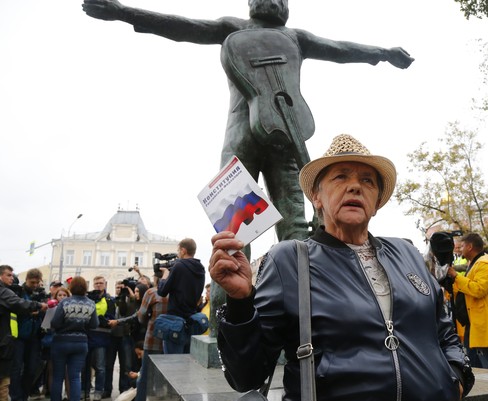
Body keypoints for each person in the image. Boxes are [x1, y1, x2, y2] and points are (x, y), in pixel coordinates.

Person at [81, 0, 414, 246]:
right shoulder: (234, 28)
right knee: (236, 230)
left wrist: (382, 52)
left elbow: (340, 48)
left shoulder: (295, 36)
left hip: (286, 131)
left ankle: (300, 309)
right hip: (242, 135)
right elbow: (182, 26)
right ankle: (228, 317)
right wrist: (123, 12)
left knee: (293, 223)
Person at [210, 134, 473, 401]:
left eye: (367, 181)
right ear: (317, 197)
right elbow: (246, 375)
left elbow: (445, 333)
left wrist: (456, 379)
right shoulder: (289, 259)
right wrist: (240, 302)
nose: (355, 187)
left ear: (376, 201)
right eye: (340, 177)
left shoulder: (407, 253)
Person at [447, 233, 488, 370]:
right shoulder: (474, 264)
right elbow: (466, 289)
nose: (459, 250)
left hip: (482, 322)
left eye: (461, 246)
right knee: (476, 367)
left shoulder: (485, 263)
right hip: (473, 323)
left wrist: (456, 276)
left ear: (470, 246)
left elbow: (479, 289)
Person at [0, 265, 48, 401]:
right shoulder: (15, 291)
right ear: (26, 280)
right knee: (15, 369)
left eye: (37, 283)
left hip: (34, 336)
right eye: (31, 282)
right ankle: (16, 399)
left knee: (32, 368)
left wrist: (41, 309)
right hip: (18, 336)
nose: (34, 285)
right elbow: (17, 306)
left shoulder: (41, 294)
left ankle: (24, 397)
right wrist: (35, 308)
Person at [48, 276, 99, 401]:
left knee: (58, 376)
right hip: (81, 343)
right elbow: (94, 324)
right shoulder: (91, 304)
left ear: (70, 288)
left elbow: (55, 323)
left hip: (61, 343)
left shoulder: (65, 303)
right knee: (75, 377)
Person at [157, 238, 205, 354]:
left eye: (179, 250)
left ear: (183, 250)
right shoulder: (201, 269)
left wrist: (165, 275)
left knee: (173, 365)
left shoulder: (179, 266)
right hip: (191, 322)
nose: (178, 253)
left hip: (175, 323)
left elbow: (162, 292)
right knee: (186, 365)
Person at [83, 276, 115, 401]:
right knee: (85, 366)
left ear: (105, 284)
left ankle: (98, 391)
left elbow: (111, 317)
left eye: (101, 283)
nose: (98, 285)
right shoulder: (87, 298)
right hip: (87, 336)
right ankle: (84, 390)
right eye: (96, 283)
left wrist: (100, 319)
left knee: (100, 367)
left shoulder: (109, 299)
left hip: (102, 337)